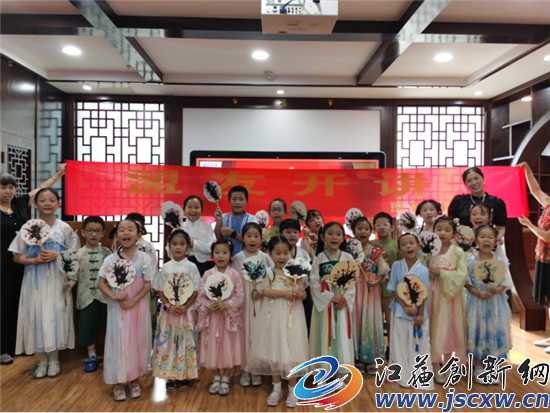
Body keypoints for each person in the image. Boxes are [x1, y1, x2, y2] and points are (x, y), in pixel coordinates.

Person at [9, 188, 80, 378]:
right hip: (35, 280)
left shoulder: (64, 228)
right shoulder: (28, 227)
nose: (47, 203)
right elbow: (16, 256)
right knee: (37, 315)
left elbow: (75, 255)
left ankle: (54, 359)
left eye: (51, 200)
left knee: (56, 316)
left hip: (58, 279)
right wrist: (34, 260)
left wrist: (58, 255)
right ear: (35, 204)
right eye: (42, 200)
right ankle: (41, 360)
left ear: (58, 203)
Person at [0, 164, 66, 365]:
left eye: (11, 187)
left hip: (24, 261)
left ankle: (18, 344)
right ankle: (3, 349)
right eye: (3, 187)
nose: (8, 191)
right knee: (3, 304)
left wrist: (58, 174)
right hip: (3, 263)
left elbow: (40, 191)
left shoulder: (19, 203)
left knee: (21, 303)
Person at [246, 236, 308, 408]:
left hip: (292, 316)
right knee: (274, 350)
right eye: (278, 253)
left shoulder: (296, 272)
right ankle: (276, 388)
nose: (282, 256)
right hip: (272, 316)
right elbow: (264, 291)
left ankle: (293, 389)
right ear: (270, 254)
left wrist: (297, 292)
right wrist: (285, 294)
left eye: (285, 252)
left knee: (291, 351)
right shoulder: (268, 272)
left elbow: (303, 295)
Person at [98, 219, 153, 401]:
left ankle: (135, 381)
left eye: (130, 229)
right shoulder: (110, 259)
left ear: (138, 235)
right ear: (116, 235)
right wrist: (113, 296)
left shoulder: (144, 258)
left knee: (137, 341)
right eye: (121, 230)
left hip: (138, 308)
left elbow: (148, 284)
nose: (126, 232)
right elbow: (100, 283)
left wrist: (134, 300)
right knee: (118, 342)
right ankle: (118, 383)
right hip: (118, 309)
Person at [152, 229, 200, 392]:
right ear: (169, 246)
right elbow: (160, 290)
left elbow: (195, 290)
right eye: (174, 244)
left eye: (182, 244)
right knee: (169, 343)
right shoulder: (165, 267)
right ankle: (170, 375)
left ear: (188, 247)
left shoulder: (191, 267)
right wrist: (168, 306)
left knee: (185, 343)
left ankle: (185, 375)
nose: (178, 247)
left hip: (186, 312)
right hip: (169, 313)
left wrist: (185, 306)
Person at [465, 225, 512, 383]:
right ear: (476, 240)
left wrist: (498, 289)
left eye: (490, 237)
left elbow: (506, 282)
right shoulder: (470, 261)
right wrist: (477, 292)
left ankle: (490, 366)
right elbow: (466, 283)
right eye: (482, 237)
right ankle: (478, 366)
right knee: (477, 330)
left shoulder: (500, 262)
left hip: (496, 305)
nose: (486, 240)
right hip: (476, 304)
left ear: (496, 241)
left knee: (493, 331)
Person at [196, 240, 244, 396]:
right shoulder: (207, 274)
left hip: (227, 318)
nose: (220, 256)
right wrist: (209, 304)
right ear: (212, 255)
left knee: (228, 346)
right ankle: (216, 378)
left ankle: (226, 378)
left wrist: (227, 304)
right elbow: (201, 296)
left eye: (224, 252)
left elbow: (240, 296)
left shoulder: (234, 274)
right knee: (212, 347)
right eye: (217, 252)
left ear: (230, 255)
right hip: (213, 318)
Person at [387, 233, 433, 390]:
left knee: (419, 344)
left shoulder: (423, 270)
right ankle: (403, 376)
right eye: (404, 244)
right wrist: (404, 305)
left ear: (418, 247)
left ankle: (419, 376)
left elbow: (423, 294)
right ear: (400, 249)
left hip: (417, 313)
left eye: (411, 243)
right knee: (400, 343)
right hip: (400, 311)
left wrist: (420, 314)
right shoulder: (396, 266)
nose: (408, 246)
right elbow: (393, 288)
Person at [230, 222, 273, 387]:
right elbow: (232, 281)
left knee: (259, 334)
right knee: (244, 335)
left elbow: (272, 278)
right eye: (249, 236)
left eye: (256, 236)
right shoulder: (237, 258)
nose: (252, 239)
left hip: (261, 301)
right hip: (243, 302)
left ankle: (257, 369)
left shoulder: (265, 258)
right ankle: (245, 369)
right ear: (243, 238)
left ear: (261, 238)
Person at [66, 216, 111, 373]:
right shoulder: (77, 255)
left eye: (97, 231)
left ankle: (110, 355)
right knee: (87, 326)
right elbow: (74, 277)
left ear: (103, 233)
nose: (94, 234)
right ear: (83, 232)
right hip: (85, 297)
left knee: (109, 325)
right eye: (90, 230)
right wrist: (67, 285)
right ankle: (91, 356)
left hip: (106, 297)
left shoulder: (107, 253)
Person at [427, 216, 468, 384]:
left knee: (449, 329)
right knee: (434, 328)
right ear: (433, 231)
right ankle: (435, 365)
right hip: (432, 295)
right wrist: (429, 274)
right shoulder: (429, 251)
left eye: (447, 230)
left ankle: (449, 365)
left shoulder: (458, 252)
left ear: (453, 233)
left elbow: (462, 275)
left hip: (450, 297)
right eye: (439, 229)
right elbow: (421, 270)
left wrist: (441, 272)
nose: (442, 233)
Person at [309, 222, 355, 366]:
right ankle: (325, 368)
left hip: (342, 302)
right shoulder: (319, 258)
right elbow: (314, 282)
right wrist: (331, 297)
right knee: (324, 333)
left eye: (338, 234)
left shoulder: (348, 257)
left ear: (343, 238)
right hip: (326, 304)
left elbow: (353, 282)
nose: (334, 237)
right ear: (322, 237)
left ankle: (342, 368)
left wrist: (344, 299)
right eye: (330, 234)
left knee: (341, 333)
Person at [517, 162, 550, 353]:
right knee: (548, 299)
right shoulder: (548, 203)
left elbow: (546, 236)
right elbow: (536, 191)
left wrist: (529, 225)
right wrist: (528, 172)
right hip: (544, 257)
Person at [350, 216, 389, 375]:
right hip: (353, 291)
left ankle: (371, 358)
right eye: (359, 228)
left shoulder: (375, 251)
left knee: (371, 321)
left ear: (371, 231)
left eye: (366, 228)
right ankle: (357, 358)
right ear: (353, 231)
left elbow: (383, 271)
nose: (363, 231)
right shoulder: (349, 252)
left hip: (371, 292)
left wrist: (377, 281)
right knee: (355, 321)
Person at [448, 166, 507, 242]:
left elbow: (500, 227)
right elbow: (450, 225)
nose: (473, 183)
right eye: (469, 181)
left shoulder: (496, 202)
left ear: (483, 179)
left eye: (476, 178)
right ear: (465, 184)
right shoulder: (459, 201)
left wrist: (496, 239)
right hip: (463, 244)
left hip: (488, 244)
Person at [372, 212, 402, 357]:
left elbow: (401, 267)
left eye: (385, 224)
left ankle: (391, 346)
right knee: (375, 319)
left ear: (392, 227)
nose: (382, 227)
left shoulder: (397, 246)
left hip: (392, 289)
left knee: (391, 320)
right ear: (374, 228)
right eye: (378, 225)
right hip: (373, 289)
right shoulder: (371, 246)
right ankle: (375, 348)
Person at [181, 195, 216, 276]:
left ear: (201, 210)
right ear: (184, 209)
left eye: (196, 207)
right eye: (189, 207)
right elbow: (169, 248)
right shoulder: (179, 226)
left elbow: (212, 247)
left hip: (202, 265)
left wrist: (195, 244)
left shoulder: (207, 227)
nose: (193, 210)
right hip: (182, 263)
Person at [214, 186, 254, 255]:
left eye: (241, 199)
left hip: (247, 258)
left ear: (247, 201)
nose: (237, 202)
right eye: (234, 199)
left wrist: (233, 233)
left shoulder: (253, 219)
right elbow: (219, 239)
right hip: (227, 258)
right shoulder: (223, 217)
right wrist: (219, 221)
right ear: (229, 201)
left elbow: (252, 241)